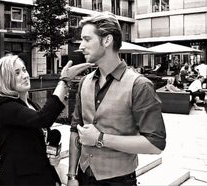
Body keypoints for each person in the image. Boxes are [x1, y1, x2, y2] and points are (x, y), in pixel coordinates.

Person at [67, 12, 166, 186]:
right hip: (83, 177)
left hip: (119, 181)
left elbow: (155, 144)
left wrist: (100, 139)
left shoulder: (139, 85)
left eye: (87, 39)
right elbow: (76, 129)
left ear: (107, 40)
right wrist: (71, 176)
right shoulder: (84, 82)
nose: (81, 46)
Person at [0, 54, 93, 185]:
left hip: (39, 176)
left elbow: (37, 138)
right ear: (6, 80)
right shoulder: (4, 106)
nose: (25, 75)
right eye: (17, 73)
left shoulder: (31, 105)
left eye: (24, 70)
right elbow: (43, 118)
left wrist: (52, 155)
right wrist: (64, 81)